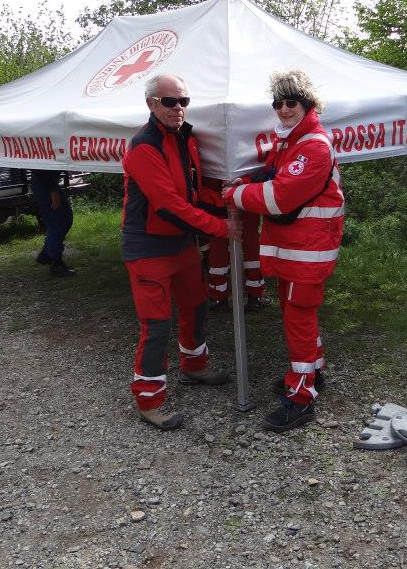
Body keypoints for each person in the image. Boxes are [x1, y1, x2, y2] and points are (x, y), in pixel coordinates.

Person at [224, 69, 344, 432]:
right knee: (299, 313)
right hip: (298, 249)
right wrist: (248, 181)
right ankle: (315, 371)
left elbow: (280, 196)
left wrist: (234, 195)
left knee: (299, 320)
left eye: (291, 102)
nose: (283, 108)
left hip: (307, 251)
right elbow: (273, 175)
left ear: (307, 104)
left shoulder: (312, 145)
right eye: (278, 103)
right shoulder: (293, 141)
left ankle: (302, 397)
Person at [121, 73, 235, 431]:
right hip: (148, 246)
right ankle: (149, 400)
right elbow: (168, 203)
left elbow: (192, 191)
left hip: (181, 241)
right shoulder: (144, 145)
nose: (178, 109)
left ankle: (194, 366)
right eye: (170, 102)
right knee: (156, 325)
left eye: (183, 101)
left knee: (196, 304)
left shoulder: (185, 138)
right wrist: (219, 227)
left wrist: (231, 198)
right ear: (151, 104)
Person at [199, 177, 268, 311]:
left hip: (222, 193)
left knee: (221, 242)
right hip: (244, 191)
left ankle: (220, 295)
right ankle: (254, 294)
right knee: (247, 241)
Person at [30, 169, 75, 277]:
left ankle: (47, 253)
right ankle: (56, 263)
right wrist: (53, 191)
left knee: (66, 218)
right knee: (57, 221)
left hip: (48, 184)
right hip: (45, 185)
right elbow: (40, 170)